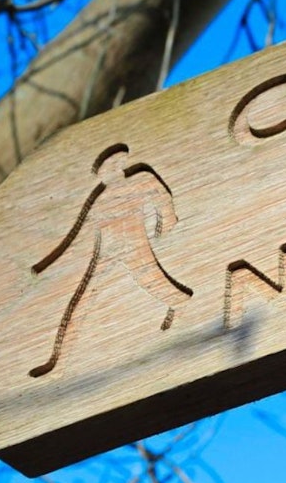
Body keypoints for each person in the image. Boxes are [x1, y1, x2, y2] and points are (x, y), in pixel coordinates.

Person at [29, 144, 192, 378]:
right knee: (81, 303)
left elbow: (162, 197)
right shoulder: (101, 200)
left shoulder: (140, 180)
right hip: (107, 256)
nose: (105, 174)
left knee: (155, 284)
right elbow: (76, 238)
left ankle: (182, 304)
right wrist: (46, 266)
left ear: (118, 166)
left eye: (109, 168)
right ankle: (60, 362)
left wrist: (167, 221)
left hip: (135, 249)